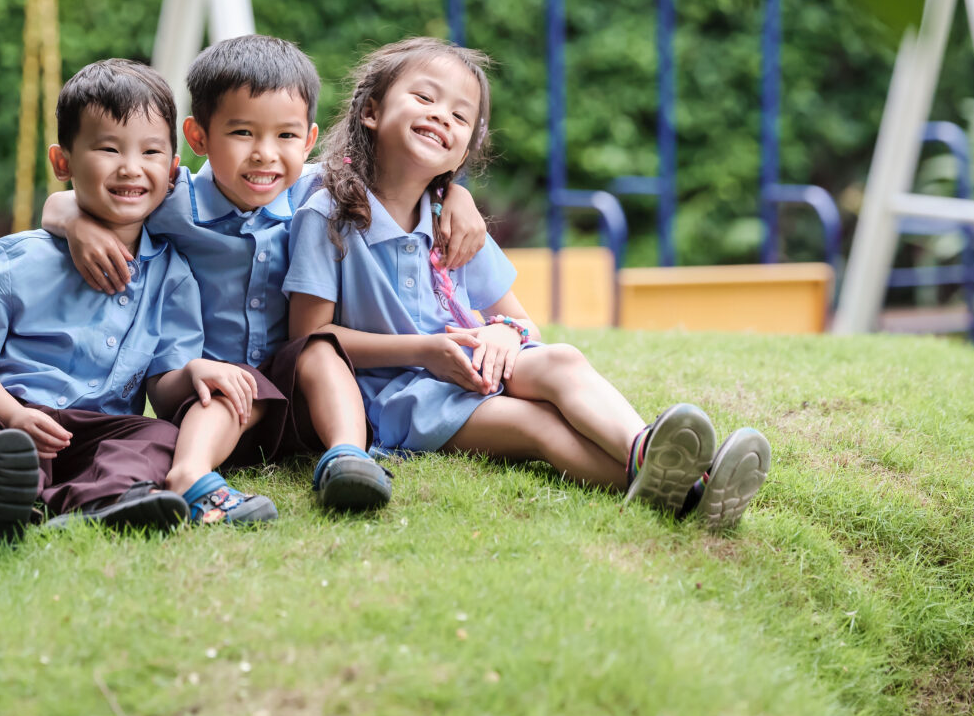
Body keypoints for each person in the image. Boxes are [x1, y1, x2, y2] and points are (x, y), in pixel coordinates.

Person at [281, 36, 771, 529]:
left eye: (459, 116)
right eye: (425, 99)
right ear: (370, 111)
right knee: (536, 426)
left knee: (562, 359)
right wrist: (425, 351)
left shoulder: (452, 221)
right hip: (402, 397)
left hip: (476, 368)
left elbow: (522, 322)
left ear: (464, 152)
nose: (440, 117)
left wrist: (501, 333)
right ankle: (690, 495)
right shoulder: (330, 211)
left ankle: (645, 449)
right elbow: (310, 339)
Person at [43, 33, 491, 521]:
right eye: (242, 134)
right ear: (197, 139)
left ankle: (347, 457)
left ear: (309, 140)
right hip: (204, 397)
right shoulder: (173, 202)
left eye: (285, 136)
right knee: (240, 384)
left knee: (319, 348)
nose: (264, 155)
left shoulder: (319, 193)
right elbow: (68, 199)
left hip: (294, 398)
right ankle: (190, 476)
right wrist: (75, 222)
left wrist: (457, 197)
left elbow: (404, 178)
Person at [0, 59, 253, 558]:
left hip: (101, 429)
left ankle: (98, 505)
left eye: (151, 151)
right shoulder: (12, 259)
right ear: (62, 162)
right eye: (108, 148)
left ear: (174, 169)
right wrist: (11, 413)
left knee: (156, 437)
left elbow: (162, 383)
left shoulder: (174, 275)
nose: (131, 167)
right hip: (4, 417)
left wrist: (195, 369)